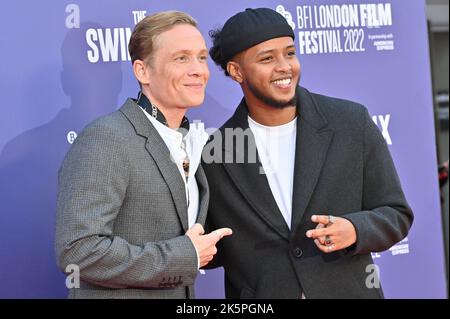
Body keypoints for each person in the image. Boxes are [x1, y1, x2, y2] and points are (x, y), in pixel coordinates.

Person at [202, 8, 413, 299]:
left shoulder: (350, 123)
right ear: (237, 71)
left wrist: (354, 229)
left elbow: (396, 214)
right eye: (267, 58)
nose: (284, 66)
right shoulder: (216, 152)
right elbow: (212, 248)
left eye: (289, 53)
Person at [55, 11, 231, 299]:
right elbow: (78, 251)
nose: (199, 70)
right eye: (181, 58)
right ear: (142, 71)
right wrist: (183, 256)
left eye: (201, 57)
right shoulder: (107, 138)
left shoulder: (189, 140)